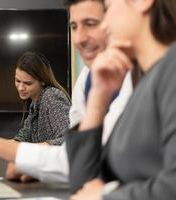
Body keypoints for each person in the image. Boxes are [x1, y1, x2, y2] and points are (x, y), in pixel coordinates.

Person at [0, 0, 134, 184]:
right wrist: (18, 154)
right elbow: (76, 153)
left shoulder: (52, 96)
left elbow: (66, 142)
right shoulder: (83, 80)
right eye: (74, 27)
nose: (79, 38)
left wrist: (12, 150)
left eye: (91, 23)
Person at [66, 0, 176, 199]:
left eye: (107, 9)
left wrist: (105, 196)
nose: (105, 25)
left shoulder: (171, 70)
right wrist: (98, 98)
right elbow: (83, 184)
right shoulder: (145, 82)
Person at [13, 51, 71, 145]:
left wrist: (38, 148)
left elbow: (68, 138)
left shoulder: (51, 96)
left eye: (28, 83)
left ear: (42, 81)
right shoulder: (35, 102)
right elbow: (23, 136)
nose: (20, 88)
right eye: (17, 80)